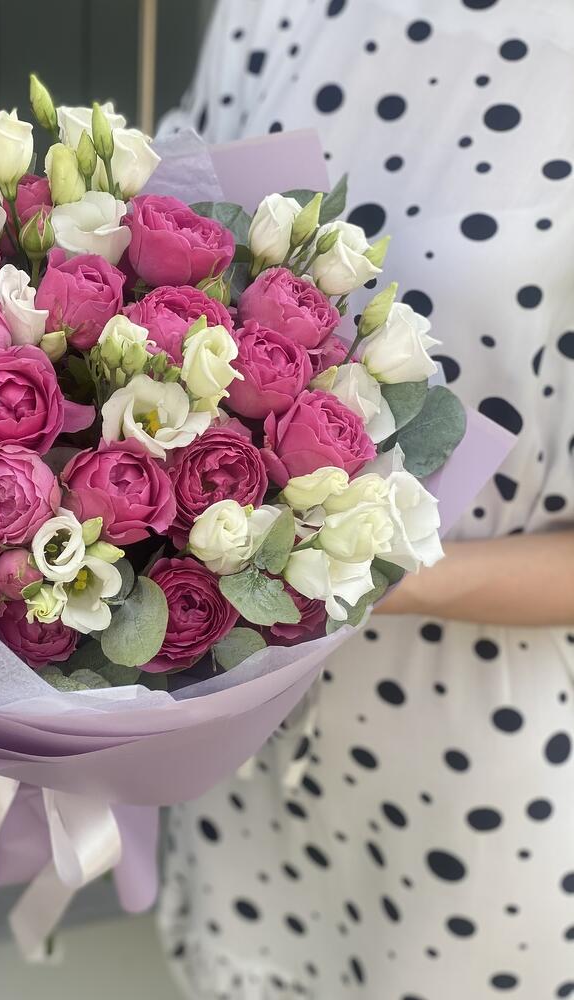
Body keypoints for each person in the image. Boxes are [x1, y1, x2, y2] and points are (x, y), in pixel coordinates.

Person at [157, 1, 574, 996]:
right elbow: (171, 249)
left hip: (479, 762)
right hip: (243, 723)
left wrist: (351, 568)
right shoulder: (275, 9)